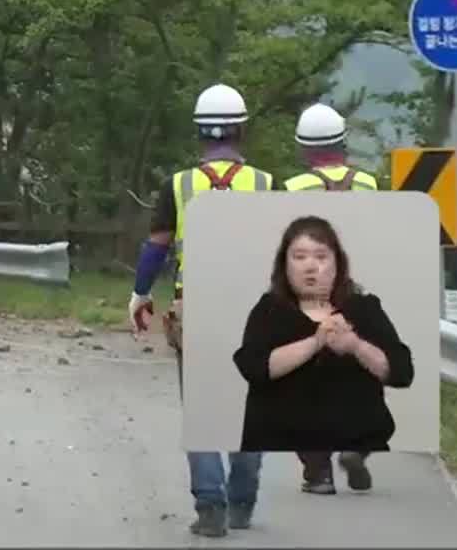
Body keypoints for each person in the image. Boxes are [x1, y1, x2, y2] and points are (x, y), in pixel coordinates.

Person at [130, 82, 274, 538]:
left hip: (196, 307)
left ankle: (210, 507)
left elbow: (156, 247)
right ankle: (242, 503)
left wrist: (139, 294)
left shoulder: (179, 185)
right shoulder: (269, 184)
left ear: (200, 133)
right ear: (241, 130)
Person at [232, 215, 412, 493]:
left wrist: (355, 345)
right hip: (283, 432)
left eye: (321, 256)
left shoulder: (364, 308)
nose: (310, 266)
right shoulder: (269, 310)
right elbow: (255, 369)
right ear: (285, 265)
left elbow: (401, 372)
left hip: (356, 428)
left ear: (337, 264)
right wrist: (315, 342)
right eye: (299, 256)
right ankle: (317, 467)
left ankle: (351, 455)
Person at [281, 102, 380, 492]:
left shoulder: (290, 187)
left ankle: (318, 472)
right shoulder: (369, 183)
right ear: (343, 142)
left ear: (304, 148)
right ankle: (357, 446)